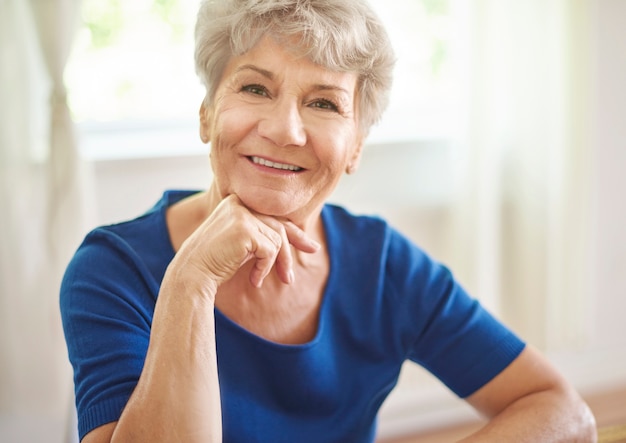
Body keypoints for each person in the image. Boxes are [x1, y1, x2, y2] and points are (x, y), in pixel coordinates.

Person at [60, 0, 597, 442]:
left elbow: (562, 412)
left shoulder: (383, 265)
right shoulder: (113, 270)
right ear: (206, 115)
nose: (286, 130)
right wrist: (190, 281)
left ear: (356, 147)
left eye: (323, 103)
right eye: (255, 89)